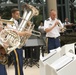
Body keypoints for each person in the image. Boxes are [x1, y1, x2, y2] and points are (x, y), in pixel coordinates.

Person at [7, 8, 32, 75]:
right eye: (17, 14)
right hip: (14, 46)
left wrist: (27, 26)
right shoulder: (10, 23)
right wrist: (25, 33)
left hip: (18, 45)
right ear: (13, 14)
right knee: (18, 63)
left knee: (20, 63)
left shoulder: (16, 22)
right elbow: (16, 33)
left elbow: (21, 31)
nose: (19, 15)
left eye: (19, 14)